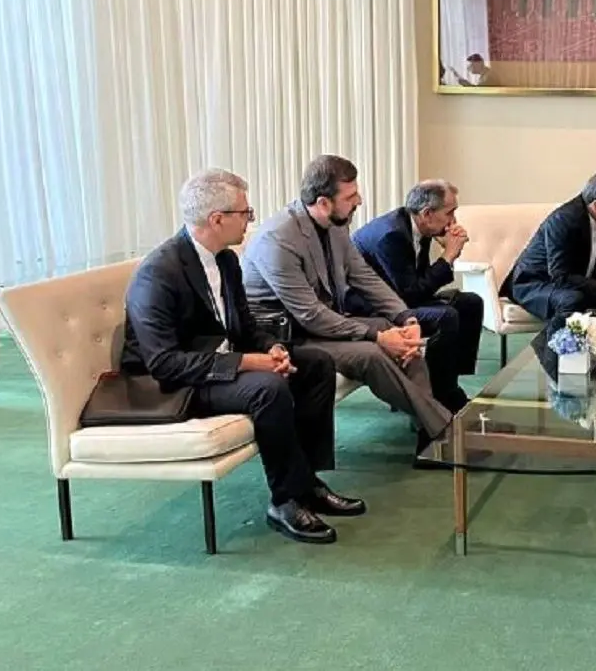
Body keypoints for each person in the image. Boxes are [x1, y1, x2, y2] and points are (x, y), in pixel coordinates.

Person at [121, 168, 364, 546]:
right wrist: (249, 363)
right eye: (245, 213)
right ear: (217, 219)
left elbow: (245, 329)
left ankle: (307, 483)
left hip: (214, 365)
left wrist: (271, 348)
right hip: (174, 385)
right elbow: (164, 364)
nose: (251, 220)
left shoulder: (226, 261)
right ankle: (285, 501)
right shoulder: (159, 273)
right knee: (267, 388)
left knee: (315, 364)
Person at [240, 155, 455, 459]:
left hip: (324, 324)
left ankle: (429, 433)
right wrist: (377, 337)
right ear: (323, 202)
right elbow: (310, 314)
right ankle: (445, 430)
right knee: (370, 354)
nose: (360, 201)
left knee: (403, 335)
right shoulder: (277, 240)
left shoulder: (335, 225)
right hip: (288, 337)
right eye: (351, 196)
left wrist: (405, 317)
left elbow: (364, 276)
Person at [350, 179, 481, 410]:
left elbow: (417, 283)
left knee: (470, 303)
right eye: (450, 213)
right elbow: (411, 295)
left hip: (399, 296)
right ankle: (441, 396)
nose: (453, 221)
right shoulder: (392, 236)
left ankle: (448, 382)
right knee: (446, 317)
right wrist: (448, 256)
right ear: (427, 213)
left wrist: (444, 247)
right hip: (371, 309)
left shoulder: (419, 226)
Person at [501, 172, 596, 321]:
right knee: (572, 300)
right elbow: (560, 276)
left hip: (579, 284)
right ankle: (553, 338)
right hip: (537, 284)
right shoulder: (563, 221)